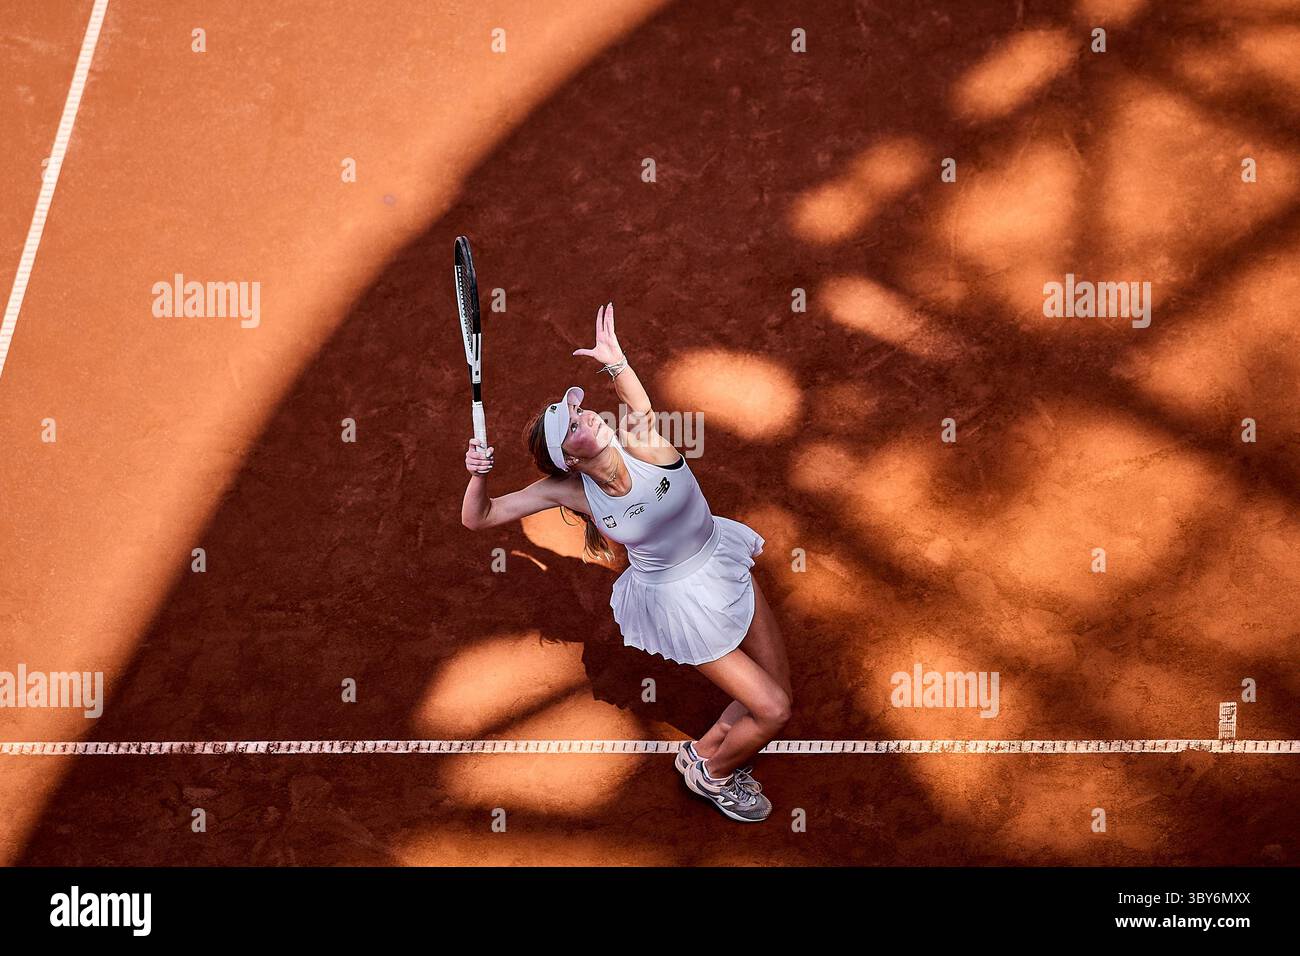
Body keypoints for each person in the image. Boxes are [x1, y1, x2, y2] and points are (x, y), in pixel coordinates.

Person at [460, 303, 793, 823]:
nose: (585, 413)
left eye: (578, 407)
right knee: (774, 709)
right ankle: (715, 774)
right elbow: (481, 518)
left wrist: (616, 363)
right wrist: (479, 473)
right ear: (570, 459)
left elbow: (635, 404)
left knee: (775, 691)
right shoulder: (572, 492)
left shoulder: (642, 443)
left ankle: (702, 751)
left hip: (721, 561)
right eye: (573, 424)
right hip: (680, 602)